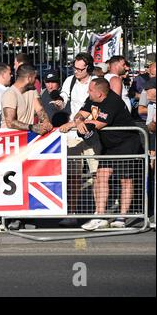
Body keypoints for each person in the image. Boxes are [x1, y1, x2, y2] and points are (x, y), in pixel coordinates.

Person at [73, 78, 144, 230]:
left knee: (126, 180)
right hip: (109, 145)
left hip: (126, 143)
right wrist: (78, 121)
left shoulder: (112, 102)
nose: (88, 92)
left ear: (99, 93)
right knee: (101, 176)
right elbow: (80, 114)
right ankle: (99, 215)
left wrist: (79, 124)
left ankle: (122, 217)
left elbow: (98, 124)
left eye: (90, 90)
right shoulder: (92, 98)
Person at [1, 64, 53, 230]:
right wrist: (33, 127)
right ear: (29, 77)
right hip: (11, 143)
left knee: (28, 178)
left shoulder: (31, 91)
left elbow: (39, 109)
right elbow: (10, 121)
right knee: (12, 180)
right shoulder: (10, 94)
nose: (37, 81)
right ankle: (12, 217)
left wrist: (45, 121)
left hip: (27, 142)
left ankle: (27, 214)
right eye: (35, 77)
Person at [58, 52, 100, 227]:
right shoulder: (70, 80)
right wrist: (59, 102)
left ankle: (100, 212)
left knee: (97, 173)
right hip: (73, 134)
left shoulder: (95, 83)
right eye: (74, 68)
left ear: (88, 68)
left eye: (79, 69)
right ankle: (72, 212)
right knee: (73, 175)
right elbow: (64, 97)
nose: (76, 71)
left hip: (91, 133)